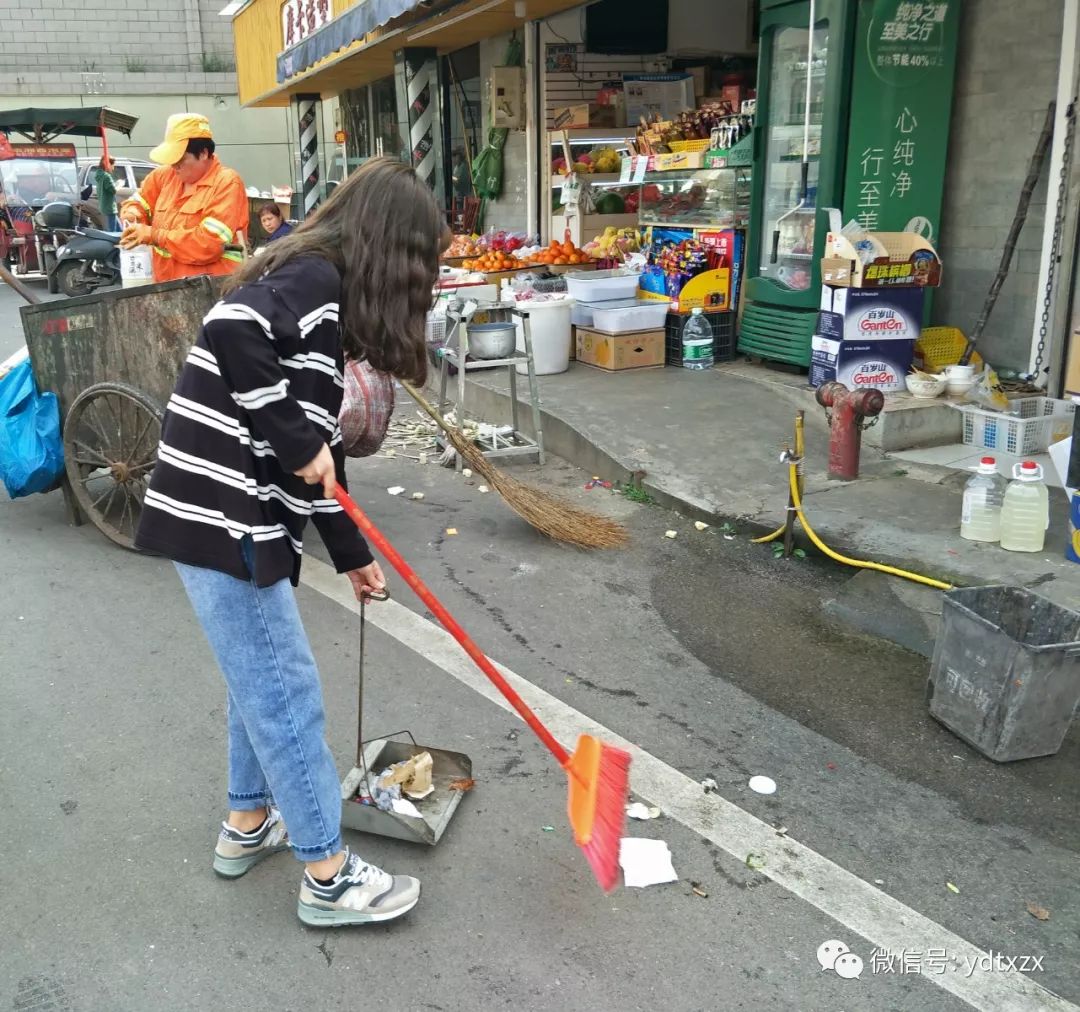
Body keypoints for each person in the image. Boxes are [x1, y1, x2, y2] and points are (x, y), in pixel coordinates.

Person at [134, 158, 447, 927]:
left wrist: (353, 553)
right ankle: (328, 876)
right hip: (226, 512)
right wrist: (287, 430)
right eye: (418, 265)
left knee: (259, 682)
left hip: (232, 512)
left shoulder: (316, 298)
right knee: (287, 694)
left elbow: (320, 466)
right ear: (388, 248)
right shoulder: (314, 280)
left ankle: (249, 822)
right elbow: (231, 330)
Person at [118, 113, 248, 283]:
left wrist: (155, 236)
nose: (174, 166)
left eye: (180, 159)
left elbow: (208, 244)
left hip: (212, 290)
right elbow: (138, 202)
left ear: (203, 153)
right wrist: (131, 215)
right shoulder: (164, 176)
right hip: (168, 287)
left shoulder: (227, 182)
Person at [94, 156, 119, 232]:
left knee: (119, 228)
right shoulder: (106, 176)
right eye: (113, 165)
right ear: (108, 164)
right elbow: (113, 190)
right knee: (113, 231)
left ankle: (122, 238)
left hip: (104, 204)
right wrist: (119, 185)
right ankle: (113, 243)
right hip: (110, 206)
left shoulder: (99, 174)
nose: (113, 168)